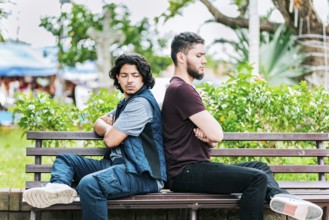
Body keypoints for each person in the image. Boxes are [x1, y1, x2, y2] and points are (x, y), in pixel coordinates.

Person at [161, 32, 323, 220]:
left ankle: (281, 197)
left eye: (204, 55)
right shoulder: (182, 90)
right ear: (181, 57)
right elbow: (217, 134)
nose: (204, 60)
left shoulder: (179, 88)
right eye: (198, 55)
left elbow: (212, 137)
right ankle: (282, 197)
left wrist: (211, 137)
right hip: (186, 172)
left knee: (259, 167)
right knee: (256, 179)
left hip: (193, 168)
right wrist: (211, 136)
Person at [23, 54, 167, 220]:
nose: (130, 80)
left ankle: (59, 188)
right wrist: (110, 127)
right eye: (124, 75)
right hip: (118, 166)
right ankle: (58, 188)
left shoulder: (140, 104)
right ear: (118, 79)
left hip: (142, 174)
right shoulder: (125, 104)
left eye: (135, 75)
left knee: (90, 185)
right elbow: (98, 124)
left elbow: (111, 140)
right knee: (66, 160)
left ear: (143, 78)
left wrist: (112, 130)